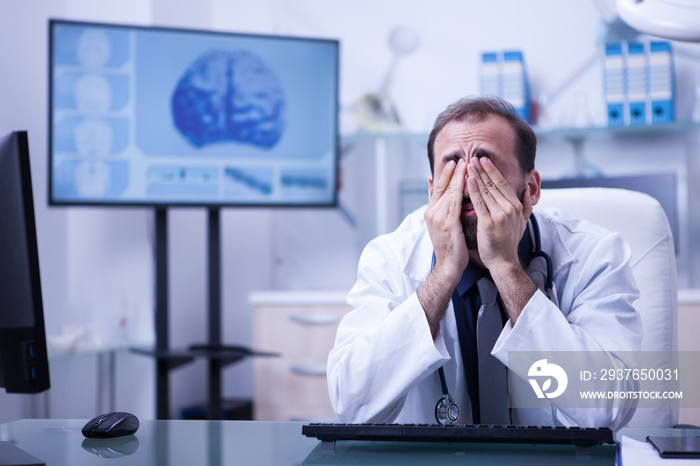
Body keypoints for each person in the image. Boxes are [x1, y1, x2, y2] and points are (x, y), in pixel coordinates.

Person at [327, 96, 641, 428]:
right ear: (432, 190)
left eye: (485, 166)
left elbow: (609, 409)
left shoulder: (596, 255)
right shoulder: (389, 258)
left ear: (531, 189)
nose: (467, 183)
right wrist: (444, 272)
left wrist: (506, 267)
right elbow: (350, 404)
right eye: (452, 167)